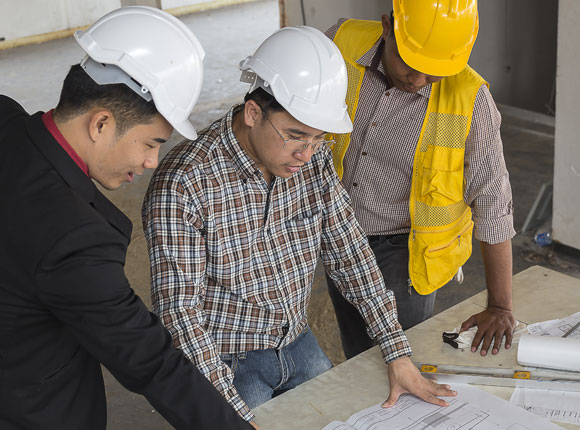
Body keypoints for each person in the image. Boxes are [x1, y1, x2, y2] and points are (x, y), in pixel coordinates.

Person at [143, 25, 455, 424]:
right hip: (226, 359)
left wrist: (397, 351)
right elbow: (179, 316)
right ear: (254, 112)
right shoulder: (185, 182)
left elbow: (350, 252)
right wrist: (236, 415)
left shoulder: (312, 159)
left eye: (318, 139)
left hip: (296, 341)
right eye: (295, 137)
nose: (306, 155)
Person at [0, 6, 252, 430]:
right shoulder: (75, 240)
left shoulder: (6, 119)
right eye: (151, 143)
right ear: (101, 123)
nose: (153, 162)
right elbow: (150, 360)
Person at [324, 0, 516, 360]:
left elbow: (494, 205)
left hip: (407, 250)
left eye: (434, 73)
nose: (418, 80)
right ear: (387, 27)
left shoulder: (471, 101)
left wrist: (501, 306)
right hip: (338, 232)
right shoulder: (339, 44)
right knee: (357, 353)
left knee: (397, 360)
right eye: (410, 65)